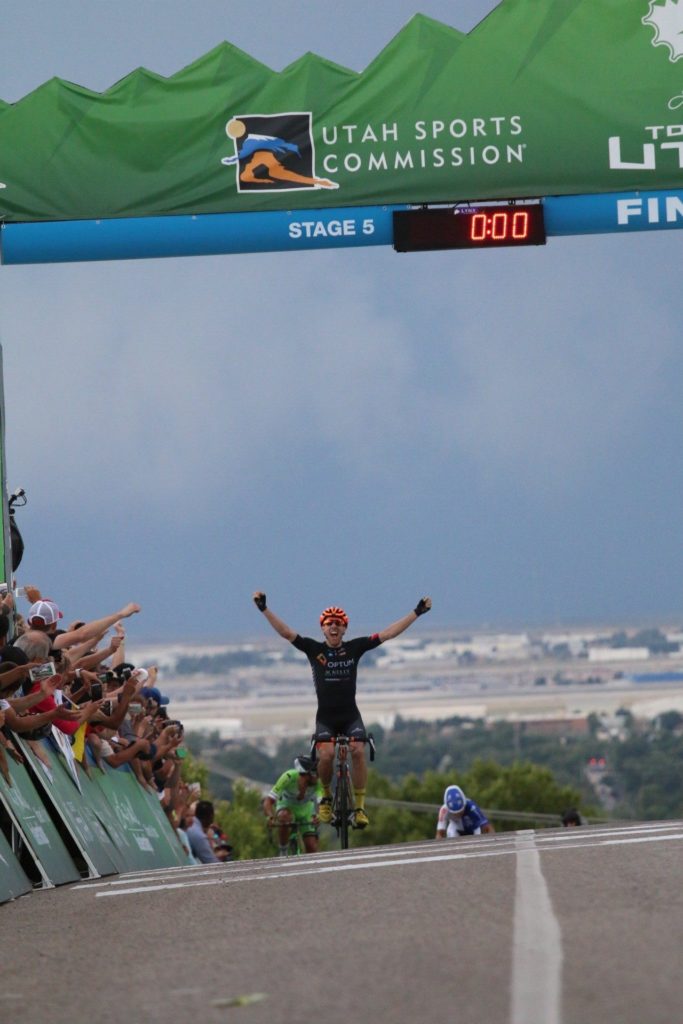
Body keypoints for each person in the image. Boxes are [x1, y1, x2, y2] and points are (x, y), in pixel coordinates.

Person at [253, 591, 432, 830]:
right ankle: (326, 797)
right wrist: (264, 609)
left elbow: (388, 633)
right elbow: (286, 633)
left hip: (350, 716)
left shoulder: (354, 648)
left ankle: (359, 807)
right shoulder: (313, 649)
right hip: (326, 718)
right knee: (326, 755)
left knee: (358, 750)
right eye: (329, 624)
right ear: (323, 629)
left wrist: (417, 612)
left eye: (339, 624)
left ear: (345, 629)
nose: (334, 627)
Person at [263, 755, 322, 856]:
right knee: (284, 817)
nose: (317, 776)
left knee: (311, 847)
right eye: (314, 773)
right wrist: (270, 817)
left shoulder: (318, 783)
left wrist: (319, 816)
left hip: (306, 811)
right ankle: (283, 850)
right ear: (304, 774)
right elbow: (268, 801)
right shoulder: (288, 777)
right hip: (286, 808)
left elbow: (323, 803)